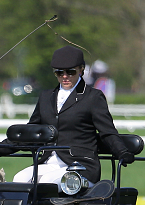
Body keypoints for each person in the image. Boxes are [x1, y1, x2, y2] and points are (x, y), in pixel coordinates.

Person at [13, 46, 132, 188]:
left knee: (47, 183)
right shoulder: (46, 97)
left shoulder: (93, 97)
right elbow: (28, 133)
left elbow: (107, 132)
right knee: (19, 178)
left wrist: (122, 152)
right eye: (59, 72)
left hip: (80, 166)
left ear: (81, 70)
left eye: (70, 72)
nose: (64, 76)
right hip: (48, 164)